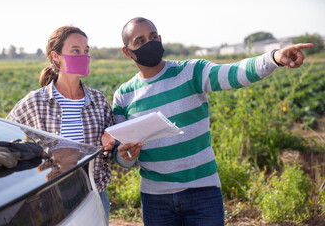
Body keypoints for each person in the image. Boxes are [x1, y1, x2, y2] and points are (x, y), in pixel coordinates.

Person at [110, 17, 313, 226]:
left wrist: (274, 58)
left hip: (202, 193)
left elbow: (235, 73)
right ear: (127, 51)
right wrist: (126, 154)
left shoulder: (191, 72)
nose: (149, 43)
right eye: (140, 41)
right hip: (155, 199)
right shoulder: (124, 96)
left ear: (160, 39)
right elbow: (124, 157)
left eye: (153, 37)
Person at [6, 26, 114, 221]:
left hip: (93, 196)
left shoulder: (99, 101)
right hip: (50, 201)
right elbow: (6, 139)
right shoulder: (35, 102)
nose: (84, 56)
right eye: (76, 51)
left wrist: (111, 146)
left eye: (86, 51)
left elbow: (109, 156)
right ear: (56, 56)